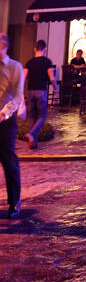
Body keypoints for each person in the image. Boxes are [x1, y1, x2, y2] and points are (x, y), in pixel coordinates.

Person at [0, 33, 24, 218]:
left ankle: (14, 201)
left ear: (4, 46)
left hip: (5, 121)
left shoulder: (15, 67)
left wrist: (4, 112)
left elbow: (18, 95)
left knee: (8, 160)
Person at [23, 39, 56, 149]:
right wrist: (56, 88)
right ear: (45, 49)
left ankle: (33, 143)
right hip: (41, 91)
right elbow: (52, 77)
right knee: (42, 116)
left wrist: (21, 92)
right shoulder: (47, 62)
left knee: (32, 117)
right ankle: (31, 134)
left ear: (34, 49)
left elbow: (23, 78)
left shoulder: (29, 62)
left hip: (30, 91)